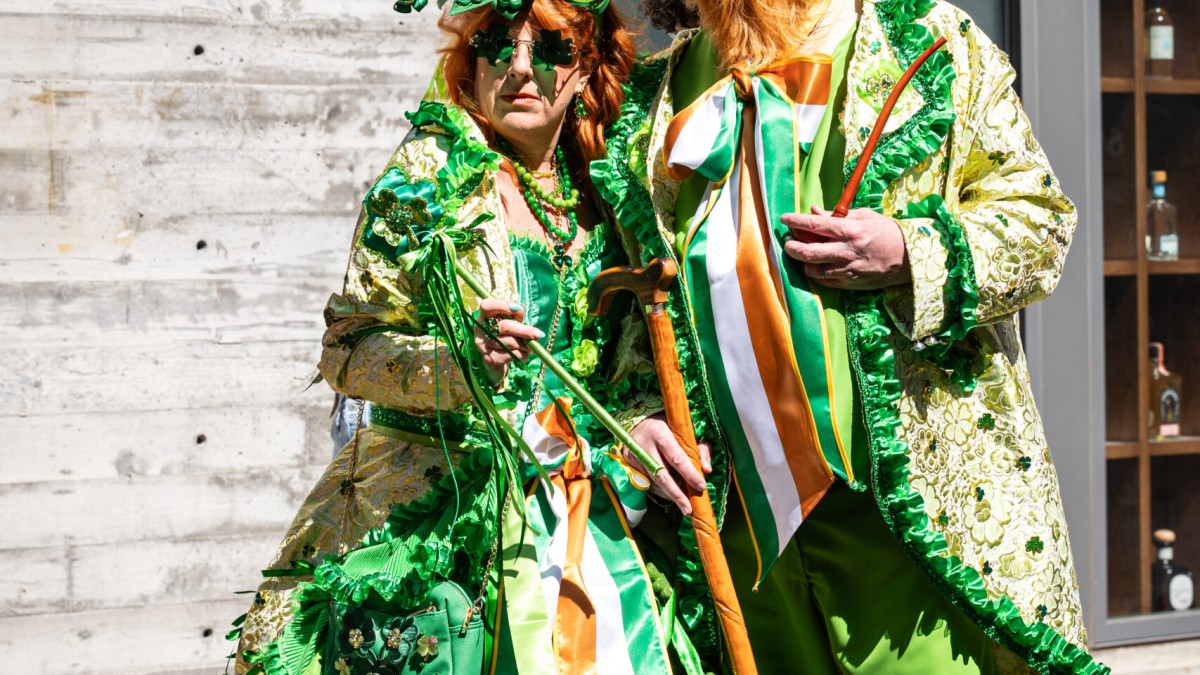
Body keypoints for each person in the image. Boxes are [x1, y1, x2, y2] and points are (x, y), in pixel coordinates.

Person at [591, 0, 1110, 672]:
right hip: (744, 531)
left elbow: (1039, 224)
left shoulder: (922, 39)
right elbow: (632, 306)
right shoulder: (653, 97)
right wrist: (638, 415)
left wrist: (907, 250)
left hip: (907, 518)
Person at [229, 1, 701, 672]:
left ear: (588, 63)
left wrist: (637, 423)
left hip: (583, 525)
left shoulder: (603, 193)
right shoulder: (429, 175)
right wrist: (459, 363)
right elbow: (347, 350)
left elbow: (615, 370)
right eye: (495, 44)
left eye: (551, 49)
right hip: (440, 533)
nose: (519, 69)